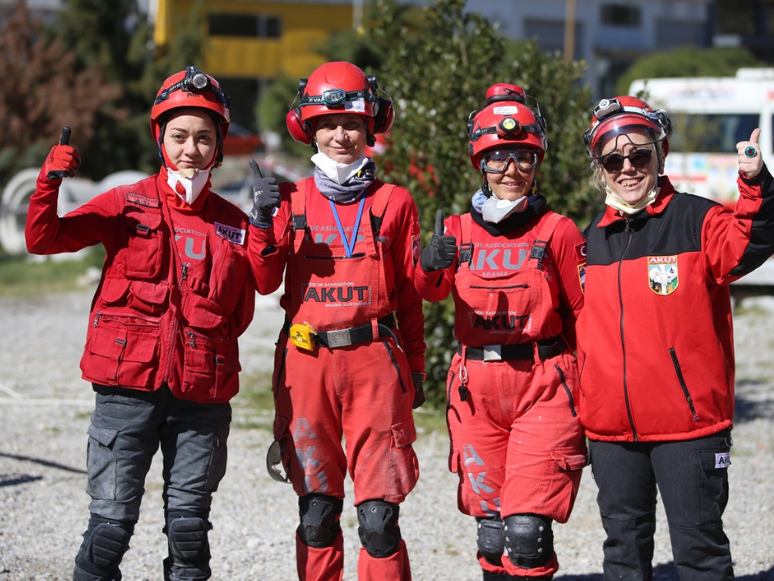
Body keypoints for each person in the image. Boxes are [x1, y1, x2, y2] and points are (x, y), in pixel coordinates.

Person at [25, 66, 257, 581]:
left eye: (204, 138)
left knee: (189, 534)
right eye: (179, 136)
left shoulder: (235, 223)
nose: (190, 149)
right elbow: (43, 240)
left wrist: (268, 224)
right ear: (160, 138)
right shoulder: (125, 202)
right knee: (109, 533)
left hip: (201, 398)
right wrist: (47, 184)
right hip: (124, 393)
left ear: (219, 147)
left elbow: (243, 309)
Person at [577, 95, 774, 580]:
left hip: (689, 427)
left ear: (659, 155)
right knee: (622, 552)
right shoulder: (590, 240)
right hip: (611, 433)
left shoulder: (696, 220)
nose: (628, 167)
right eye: (614, 159)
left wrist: (755, 185)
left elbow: (749, 242)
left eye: (639, 154)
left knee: (700, 553)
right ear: (600, 169)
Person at [247, 61, 426, 581]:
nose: (341, 135)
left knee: (378, 520)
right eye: (328, 123)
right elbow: (262, 281)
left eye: (351, 123)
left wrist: (415, 368)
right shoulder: (289, 199)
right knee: (318, 515)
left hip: (375, 362)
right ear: (309, 128)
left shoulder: (394, 202)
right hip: (307, 364)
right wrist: (261, 223)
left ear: (371, 128)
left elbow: (410, 298)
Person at [414, 83, 587, 581]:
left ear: (536, 164)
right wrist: (428, 265)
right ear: (479, 162)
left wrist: (596, 396)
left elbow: (584, 317)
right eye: (497, 158)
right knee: (491, 532)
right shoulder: (455, 230)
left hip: (545, 385)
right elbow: (428, 293)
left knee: (527, 535)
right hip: (475, 391)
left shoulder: (558, 230)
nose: (510, 170)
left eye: (522, 158)